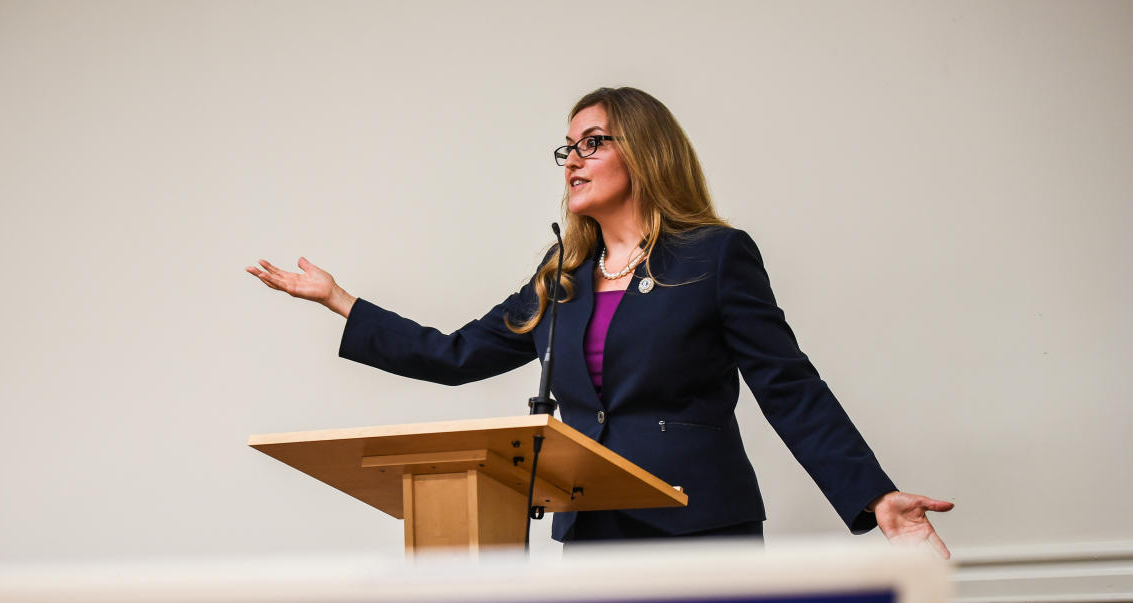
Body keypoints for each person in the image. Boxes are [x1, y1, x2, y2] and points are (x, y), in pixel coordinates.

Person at [246, 87, 953, 558]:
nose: (572, 161)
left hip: (697, 522)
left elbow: (787, 384)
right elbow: (458, 354)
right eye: (568, 147)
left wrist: (873, 495)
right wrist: (341, 301)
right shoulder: (562, 276)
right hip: (593, 527)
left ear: (643, 153)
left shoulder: (715, 256)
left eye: (592, 143)